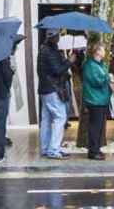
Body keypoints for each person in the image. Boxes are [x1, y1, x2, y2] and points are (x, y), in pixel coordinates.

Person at [37, 31, 73, 159]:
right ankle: (53, 149)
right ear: (53, 38)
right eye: (58, 36)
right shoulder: (49, 51)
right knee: (61, 117)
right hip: (52, 89)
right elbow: (57, 70)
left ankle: (46, 148)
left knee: (46, 120)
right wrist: (69, 61)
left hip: (45, 89)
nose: (59, 38)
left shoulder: (44, 50)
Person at [82, 43, 114, 160]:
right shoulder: (90, 65)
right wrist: (107, 77)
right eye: (103, 49)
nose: (105, 52)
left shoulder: (100, 64)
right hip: (94, 100)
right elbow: (97, 81)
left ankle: (96, 148)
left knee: (99, 126)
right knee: (95, 127)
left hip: (101, 99)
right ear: (97, 51)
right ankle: (93, 151)